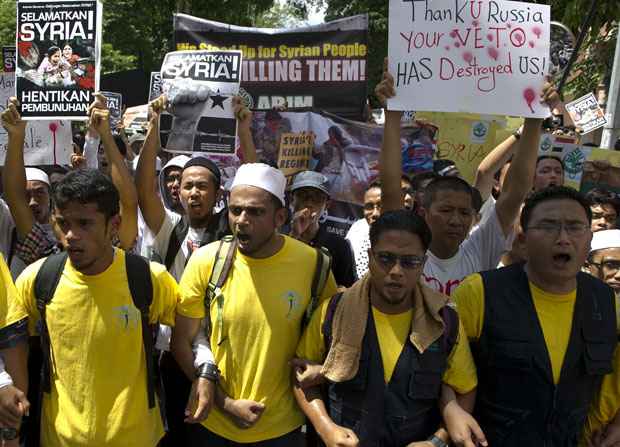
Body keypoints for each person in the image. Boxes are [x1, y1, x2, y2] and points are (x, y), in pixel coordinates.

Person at [3, 169, 179, 446]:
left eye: (85, 223)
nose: (71, 235)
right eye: (63, 223)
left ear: (114, 225)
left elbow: (191, 333)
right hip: (60, 439)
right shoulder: (38, 279)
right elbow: (11, 343)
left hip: (137, 438)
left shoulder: (149, 279)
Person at [171, 163, 338, 446]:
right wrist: (225, 403)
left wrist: (323, 369)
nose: (241, 220)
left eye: (255, 212)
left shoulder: (314, 265)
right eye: (235, 210)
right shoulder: (205, 261)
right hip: (212, 424)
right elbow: (181, 342)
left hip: (283, 429)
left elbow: (335, 337)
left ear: (280, 217)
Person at [294, 210, 485, 447]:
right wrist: (325, 427)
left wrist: (436, 441)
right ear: (370, 257)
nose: (396, 271)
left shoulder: (444, 321)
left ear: (423, 263)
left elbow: (465, 389)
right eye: (385, 258)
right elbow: (300, 379)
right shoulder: (333, 312)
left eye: (409, 262)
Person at [377, 60, 559, 295]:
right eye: (445, 210)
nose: (456, 220)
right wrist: (392, 116)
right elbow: (391, 189)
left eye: (464, 213)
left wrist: (533, 120)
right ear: (423, 212)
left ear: (475, 216)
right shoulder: (404, 251)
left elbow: (514, 193)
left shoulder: (480, 249)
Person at [453, 186, 617, 445]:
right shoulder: (480, 292)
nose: (563, 238)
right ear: (523, 239)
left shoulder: (606, 302)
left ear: (589, 239)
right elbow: (442, 368)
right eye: (549, 226)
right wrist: (451, 410)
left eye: (575, 227)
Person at [288, 170, 356, 288]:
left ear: (327, 205)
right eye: (303, 196)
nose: (309, 203)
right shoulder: (277, 236)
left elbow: (347, 288)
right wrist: (294, 235)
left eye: (317, 198)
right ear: (292, 199)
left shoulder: (339, 246)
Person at [345, 181, 381, 280]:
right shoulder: (358, 228)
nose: (375, 213)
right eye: (369, 206)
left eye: (381, 206)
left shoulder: (403, 235)